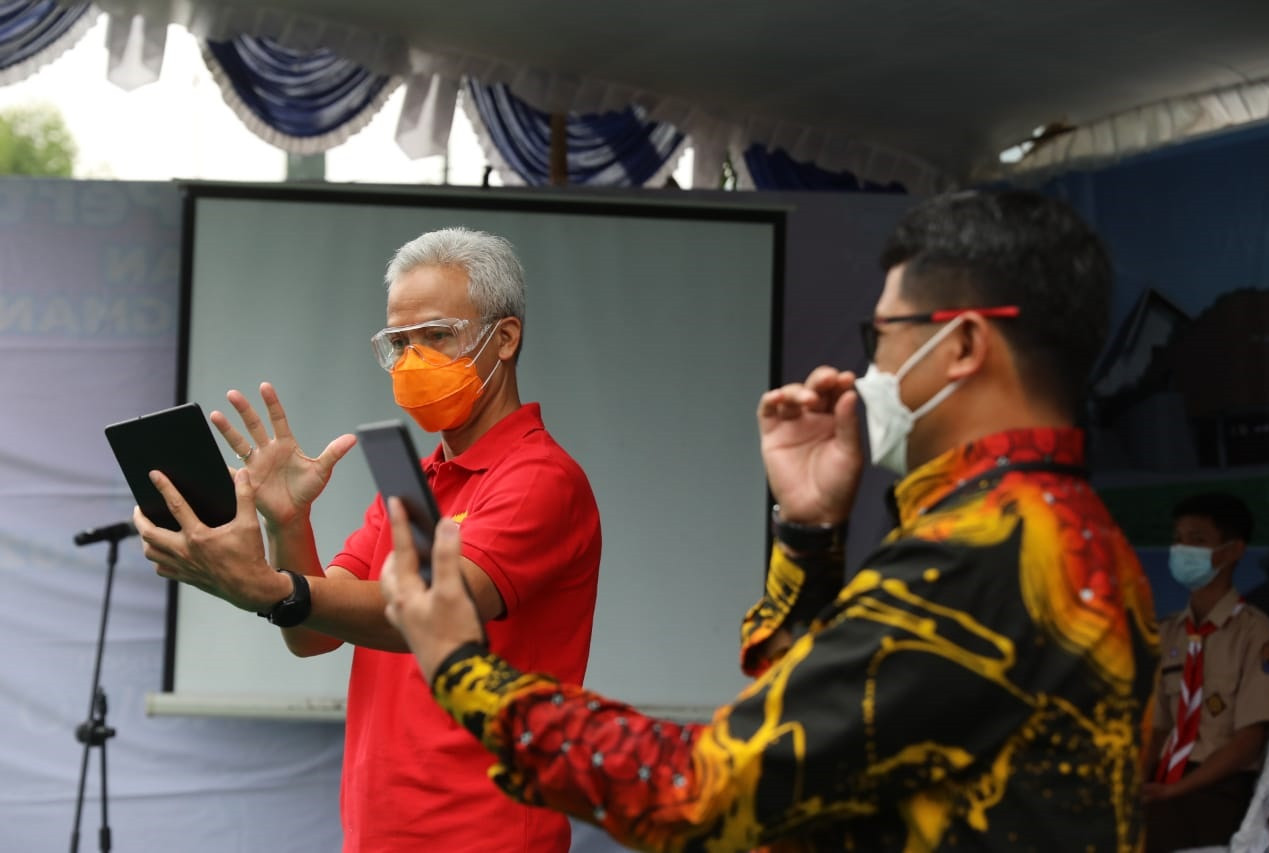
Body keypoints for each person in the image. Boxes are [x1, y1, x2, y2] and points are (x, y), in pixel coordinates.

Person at [379, 190, 1160, 850]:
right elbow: (826, 731)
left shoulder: (983, 553)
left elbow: (706, 789)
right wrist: (811, 533)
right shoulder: (1078, 535)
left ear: (961, 344)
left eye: (882, 337)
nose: (871, 369)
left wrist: (462, 669)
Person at [135, 227, 603, 852]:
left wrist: (267, 587)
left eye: (437, 336)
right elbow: (313, 632)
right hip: (377, 833)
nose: (414, 360)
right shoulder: (416, 482)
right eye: (399, 342)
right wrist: (286, 522)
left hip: (486, 834)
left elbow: (433, 612)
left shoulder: (541, 478)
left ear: (506, 338)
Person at [1143, 492, 1269, 852]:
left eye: (1198, 541)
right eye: (1178, 539)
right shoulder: (1168, 632)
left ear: (1234, 551)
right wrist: (1136, 782)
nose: (1182, 550)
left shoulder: (1256, 634)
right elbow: (1157, 728)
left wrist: (1173, 790)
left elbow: (1248, 741)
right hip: (1165, 780)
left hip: (1219, 785)